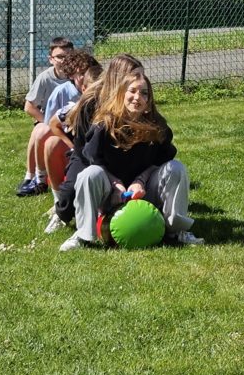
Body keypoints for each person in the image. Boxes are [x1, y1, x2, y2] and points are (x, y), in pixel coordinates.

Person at [59, 71, 199, 251]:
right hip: (109, 193)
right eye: (132, 91)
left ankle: (175, 231)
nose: (137, 97)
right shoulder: (103, 124)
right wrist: (115, 184)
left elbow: (162, 160)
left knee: (176, 168)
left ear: (149, 100)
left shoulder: (157, 125)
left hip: (144, 190)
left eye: (144, 93)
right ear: (121, 94)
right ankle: (83, 235)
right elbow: (93, 160)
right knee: (89, 174)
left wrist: (141, 180)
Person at [51, 53, 144, 228]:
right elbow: (85, 147)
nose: (141, 81)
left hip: (119, 153)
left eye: (142, 75)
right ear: (118, 77)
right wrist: (111, 177)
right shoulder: (92, 100)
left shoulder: (138, 98)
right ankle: (60, 214)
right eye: (136, 76)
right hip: (87, 153)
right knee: (69, 193)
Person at [43, 54, 102, 234]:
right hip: (82, 155)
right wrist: (72, 146)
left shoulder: (109, 107)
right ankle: (61, 214)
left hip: (103, 155)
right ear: (84, 88)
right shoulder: (76, 107)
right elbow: (53, 123)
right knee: (69, 189)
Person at [15, 37, 74, 196]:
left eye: (68, 56)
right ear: (51, 59)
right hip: (51, 121)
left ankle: (44, 178)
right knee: (40, 131)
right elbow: (29, 107)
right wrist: (50, 123)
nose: (64, 60)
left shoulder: (78, 75)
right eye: (60, 57)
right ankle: (34, 177)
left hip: (73, 124)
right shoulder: (45, 78)